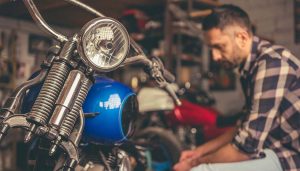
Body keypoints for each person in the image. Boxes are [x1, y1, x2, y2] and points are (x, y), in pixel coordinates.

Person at [173, 4, 300, 171]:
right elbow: (242, 126)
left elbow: (246, 148)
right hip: (273, 148)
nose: (215, 56)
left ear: (242, 38)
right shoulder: (249, 68)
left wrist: (195, 163)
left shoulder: (273, 64)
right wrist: (197, 153)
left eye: (219, 46)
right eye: (211, 48)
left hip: (290, 156)